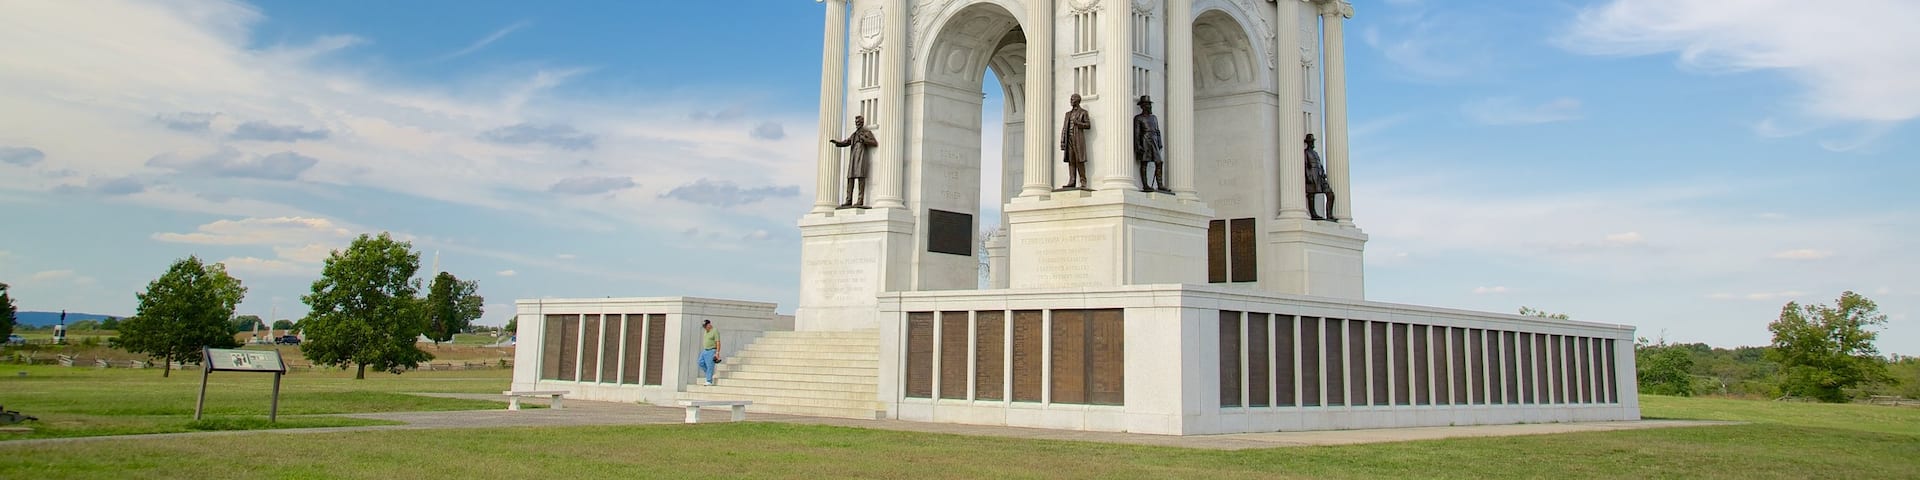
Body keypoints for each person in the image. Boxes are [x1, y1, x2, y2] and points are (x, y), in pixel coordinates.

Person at [829, 115, 878, 208]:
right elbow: (846, 142)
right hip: (853, 158)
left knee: (860, 178)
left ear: (862, 123)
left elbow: (874, 142)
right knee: (850, 178)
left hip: (861, 157)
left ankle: (860, 200)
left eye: (859, 122)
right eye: (856, 122)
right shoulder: (854, 134)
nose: (857, 124)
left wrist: (864, 139)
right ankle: (848, 200)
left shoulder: (866, 132)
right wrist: (837, 143)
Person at [1133, 95, 1167, 193]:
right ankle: (1145, 185)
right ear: (1143, 106)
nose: (1149, 106)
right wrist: (1138, 145)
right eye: (1147, 105)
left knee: (1159, 162)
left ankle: (1160, 184)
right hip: (1145, 140)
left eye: (1149, 104)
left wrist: (1160, 142)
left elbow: (1158, 131)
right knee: (1144, 162)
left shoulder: (1154, 118)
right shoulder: (1138, 118)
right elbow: (1137, 133)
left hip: (1154, 140)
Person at [1059, 93, 1091, 190]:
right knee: (1071, 160)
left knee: (1079, 160)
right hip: (1069, 139)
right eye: (1071, 99)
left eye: (1072, 99)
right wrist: (1062, 141)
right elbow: (1064, 128)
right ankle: (1072, 180)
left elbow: (1088, 125)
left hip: (1078, 139)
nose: (1071, 101)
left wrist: (1079, 123)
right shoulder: (1068, 114)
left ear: (1077, 100)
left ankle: (1083, 181)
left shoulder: (1083, 112)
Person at [1304, 133, 1337, 221]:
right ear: (1308, 143)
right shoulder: (1306, 152)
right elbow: (1306, 165)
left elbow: (1320, 165)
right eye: (1311, 142)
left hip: (1319, 176)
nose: (1313, 143)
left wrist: (1323, 173)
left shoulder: (1315, 153)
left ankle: (1329, 215)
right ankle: (1313, 214)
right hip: (1312, 176)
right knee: (1311, 194)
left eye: (1313, 141)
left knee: (1330, 194)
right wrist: (1309, 177)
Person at [697, 319, 722, 386]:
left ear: (709, 324)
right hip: (705, 350)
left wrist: (717, 353)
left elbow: (718, 342)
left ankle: (709, 381)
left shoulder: (715, 331)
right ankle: (709, 373)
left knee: (710, 366)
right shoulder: (706, 331)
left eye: (706, 326)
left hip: (711, 350)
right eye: (704, 326)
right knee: (700, 362)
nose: (705, 327)